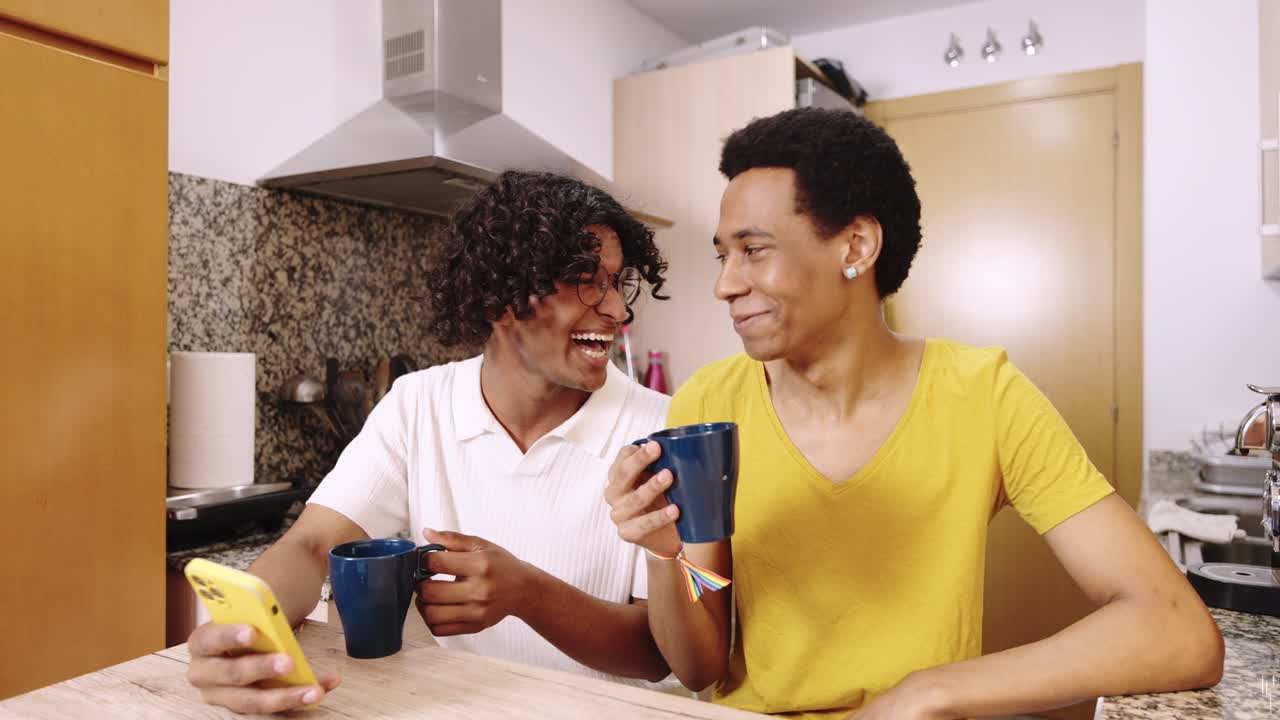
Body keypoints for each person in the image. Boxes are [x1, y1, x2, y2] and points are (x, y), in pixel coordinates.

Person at [605, 108, 1224, 720]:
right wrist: (668, 557)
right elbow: (699, 666)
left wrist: (931, 691)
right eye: (723, 256)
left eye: (753, 250)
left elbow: (1176, 629)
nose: (726, 284)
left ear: (857, 245)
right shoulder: (710, 406)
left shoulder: (985, 396)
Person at [185, 170, 674, 714]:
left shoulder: (659, 429)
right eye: (586, 278)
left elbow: (657, 652)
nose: (616, 311)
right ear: (499, 299)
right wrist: (245, 634)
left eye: (617, 281)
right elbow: (311, 544)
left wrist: (527, 594)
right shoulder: (418, 404)